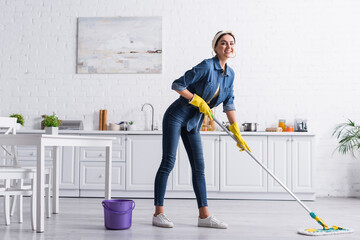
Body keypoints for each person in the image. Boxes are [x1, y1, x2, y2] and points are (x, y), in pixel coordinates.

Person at [152, 30, 251, 229]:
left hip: (193, 123)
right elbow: (177, 84)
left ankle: (204, 217)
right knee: (168, 163)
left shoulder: (230, 74)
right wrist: (195, 99)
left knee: (199, 168)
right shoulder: (206, 66)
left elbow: (229, 103)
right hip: (176, 116)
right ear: (215, 47)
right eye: (223, 43)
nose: (228, 46)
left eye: (231, 43)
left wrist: (236, 132)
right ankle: (158, 214)